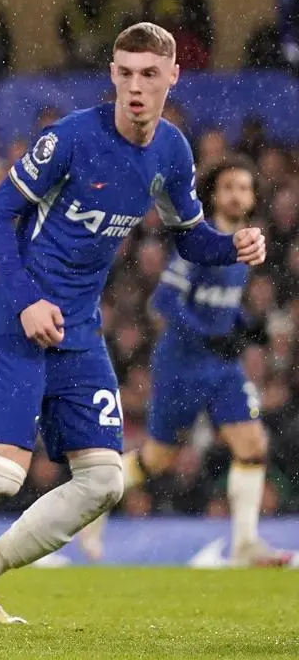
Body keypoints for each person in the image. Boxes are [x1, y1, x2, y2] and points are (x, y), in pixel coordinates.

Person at [0, 22, 267, 625]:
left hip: (79, 329)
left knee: (104, 482)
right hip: (21, 317)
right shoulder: (69, 139)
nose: (135, 87)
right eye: (125, 73)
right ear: (112, 75)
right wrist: (28, 300)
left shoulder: (171, 150)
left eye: (149, 74)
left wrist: (235, 245)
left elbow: (191, 240)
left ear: (173, 76)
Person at [78, 161, 294, 566]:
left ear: (252, 197)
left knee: (252, 445)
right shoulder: (200, 243)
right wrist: (207, 334)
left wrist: (248, 328)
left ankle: (246, 544)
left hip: (221, 368)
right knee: (159, 458)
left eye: (244, 188)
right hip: (181, 366)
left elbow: (221, 308)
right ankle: (92, 503)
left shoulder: (245, 245)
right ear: (213, 195)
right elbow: (162, 302)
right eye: (229, 187)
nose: (237, 195)